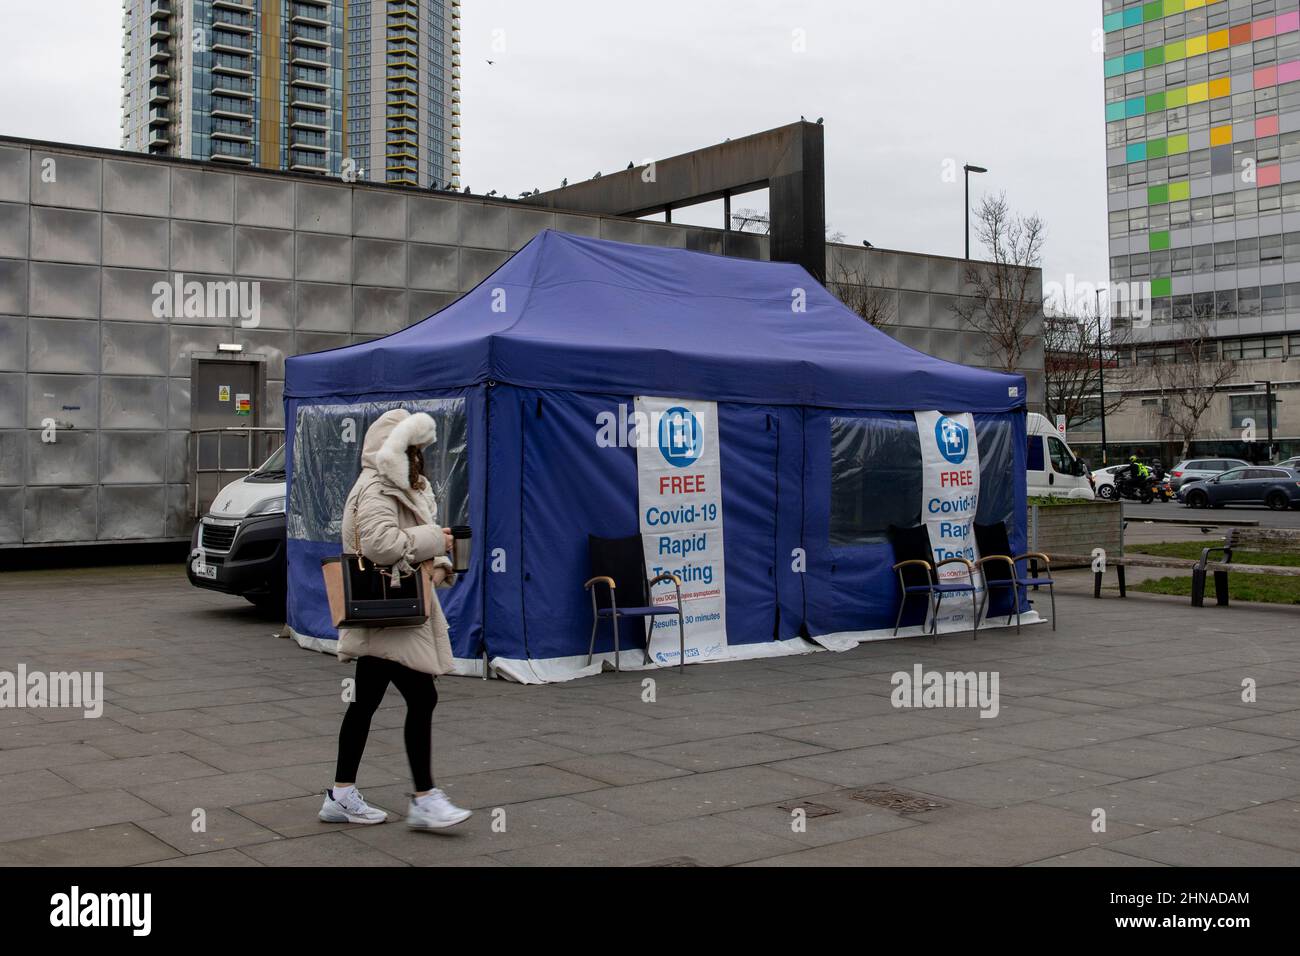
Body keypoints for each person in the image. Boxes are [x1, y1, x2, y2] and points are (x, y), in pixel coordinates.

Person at [319, 409, 472, 831]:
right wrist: (433, 540)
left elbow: (406, 542)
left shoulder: (398, 488)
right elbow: (382, 546)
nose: (420, 458)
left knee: (366, 703)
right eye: (414, 450)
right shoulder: (375, 489)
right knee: (421, 698)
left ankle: (341, 794)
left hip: (390, 615)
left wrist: (439, 561)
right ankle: (423, 798)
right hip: (389, 616)